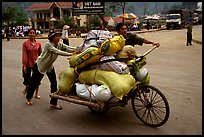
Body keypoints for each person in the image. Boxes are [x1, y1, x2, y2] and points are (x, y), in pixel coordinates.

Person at [25, 29, 77, 110]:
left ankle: (53, 103)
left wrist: (79, 49)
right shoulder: (48, 45)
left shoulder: (59, 44)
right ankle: (28, 98)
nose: (58, 37)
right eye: (56, 36)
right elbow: (56, 51)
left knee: (54, 83)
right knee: (34, 83)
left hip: (49, 66)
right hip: (40, 66)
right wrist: (70, 54)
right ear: (52, 37)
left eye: (59, 36)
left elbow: (68, 48)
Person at [22, 28, 42, 99]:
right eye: (31, 33)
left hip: (36, 64)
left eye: (33, 33)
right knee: (26, 79)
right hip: (27, 64)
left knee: (37, 80)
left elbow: (40, 54)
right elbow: (24, 54)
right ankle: (27, 88)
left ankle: (36, 93)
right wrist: (24, 65)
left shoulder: (38, 44)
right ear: (28, 34)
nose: (32, 34)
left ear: (35, 34)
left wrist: (41, 63)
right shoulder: (25, 44)